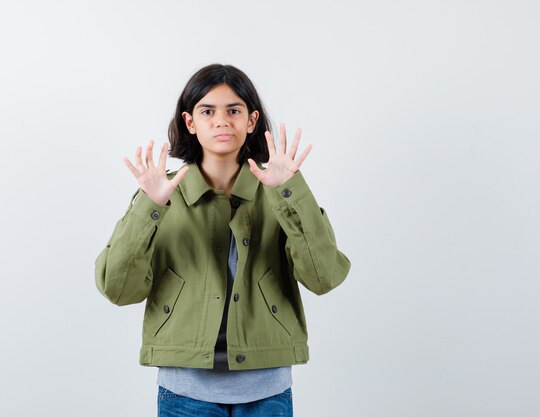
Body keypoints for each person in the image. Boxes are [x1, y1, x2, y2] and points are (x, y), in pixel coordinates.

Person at [95, 64, 351, 416]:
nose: (221, 121)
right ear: (190, 122)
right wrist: (149, 207)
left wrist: (290, 193)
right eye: (207, 111)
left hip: (267, 388)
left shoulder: (276, 190)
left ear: (251, 120)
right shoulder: (162, 192)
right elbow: (118, 289)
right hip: (184, 391)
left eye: (233, 110)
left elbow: (325, 277)